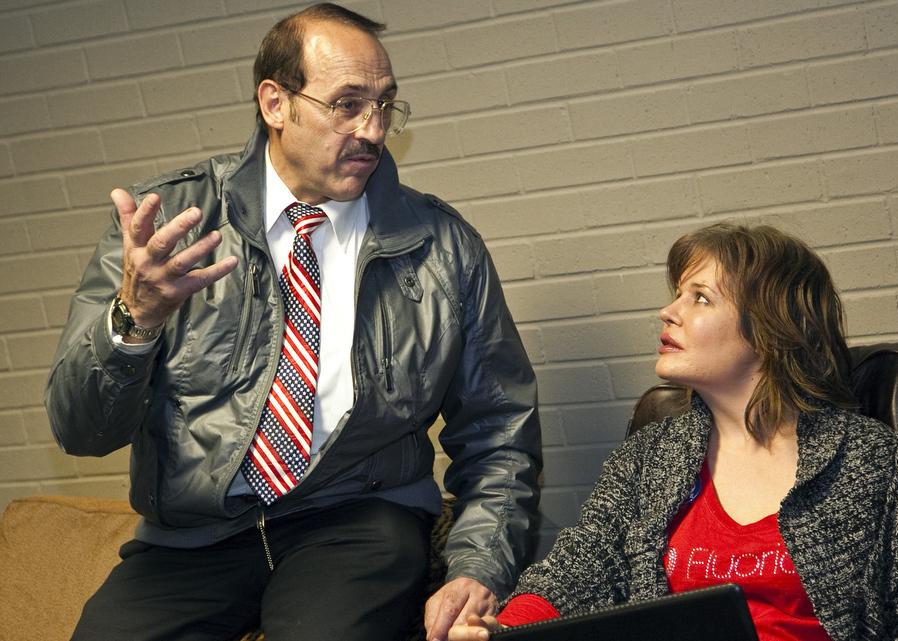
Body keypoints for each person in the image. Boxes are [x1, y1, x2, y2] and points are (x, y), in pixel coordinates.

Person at [43, 4, 541, 640]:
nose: (372, 129)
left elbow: (500, 429)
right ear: (275, 103)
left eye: (385, 105)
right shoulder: (167, 225)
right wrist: (133, 321)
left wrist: (479, 566)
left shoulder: (440, 245)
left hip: (357, 517)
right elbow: (80, 429)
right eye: (347, 104)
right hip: (194, 539)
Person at [449, 223, 898, 641]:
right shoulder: (651, 458)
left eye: (700, 298)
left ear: (769, 328)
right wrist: (502, 631)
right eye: (677, 294)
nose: (668, 312)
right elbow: (576, 571)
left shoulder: (865, 461)